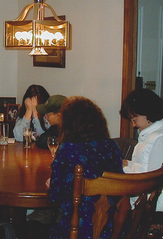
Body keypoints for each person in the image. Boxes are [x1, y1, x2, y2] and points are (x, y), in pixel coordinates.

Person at [47, 96, 123, 239]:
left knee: (44, 223)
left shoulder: (67, 150)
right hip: (112, 228)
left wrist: (53, 181)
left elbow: (54, 195)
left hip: (78, 231)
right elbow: (119, 185)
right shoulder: (111, 146)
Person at [120, 88, 163, 212]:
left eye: (134, 120)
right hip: (154, 195)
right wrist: (128, 164)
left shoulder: (161, 140)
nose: (133, 125)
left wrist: (122, 170)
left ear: (147, 114)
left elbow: (152, 180)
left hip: (158, 204)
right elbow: (148, 165)